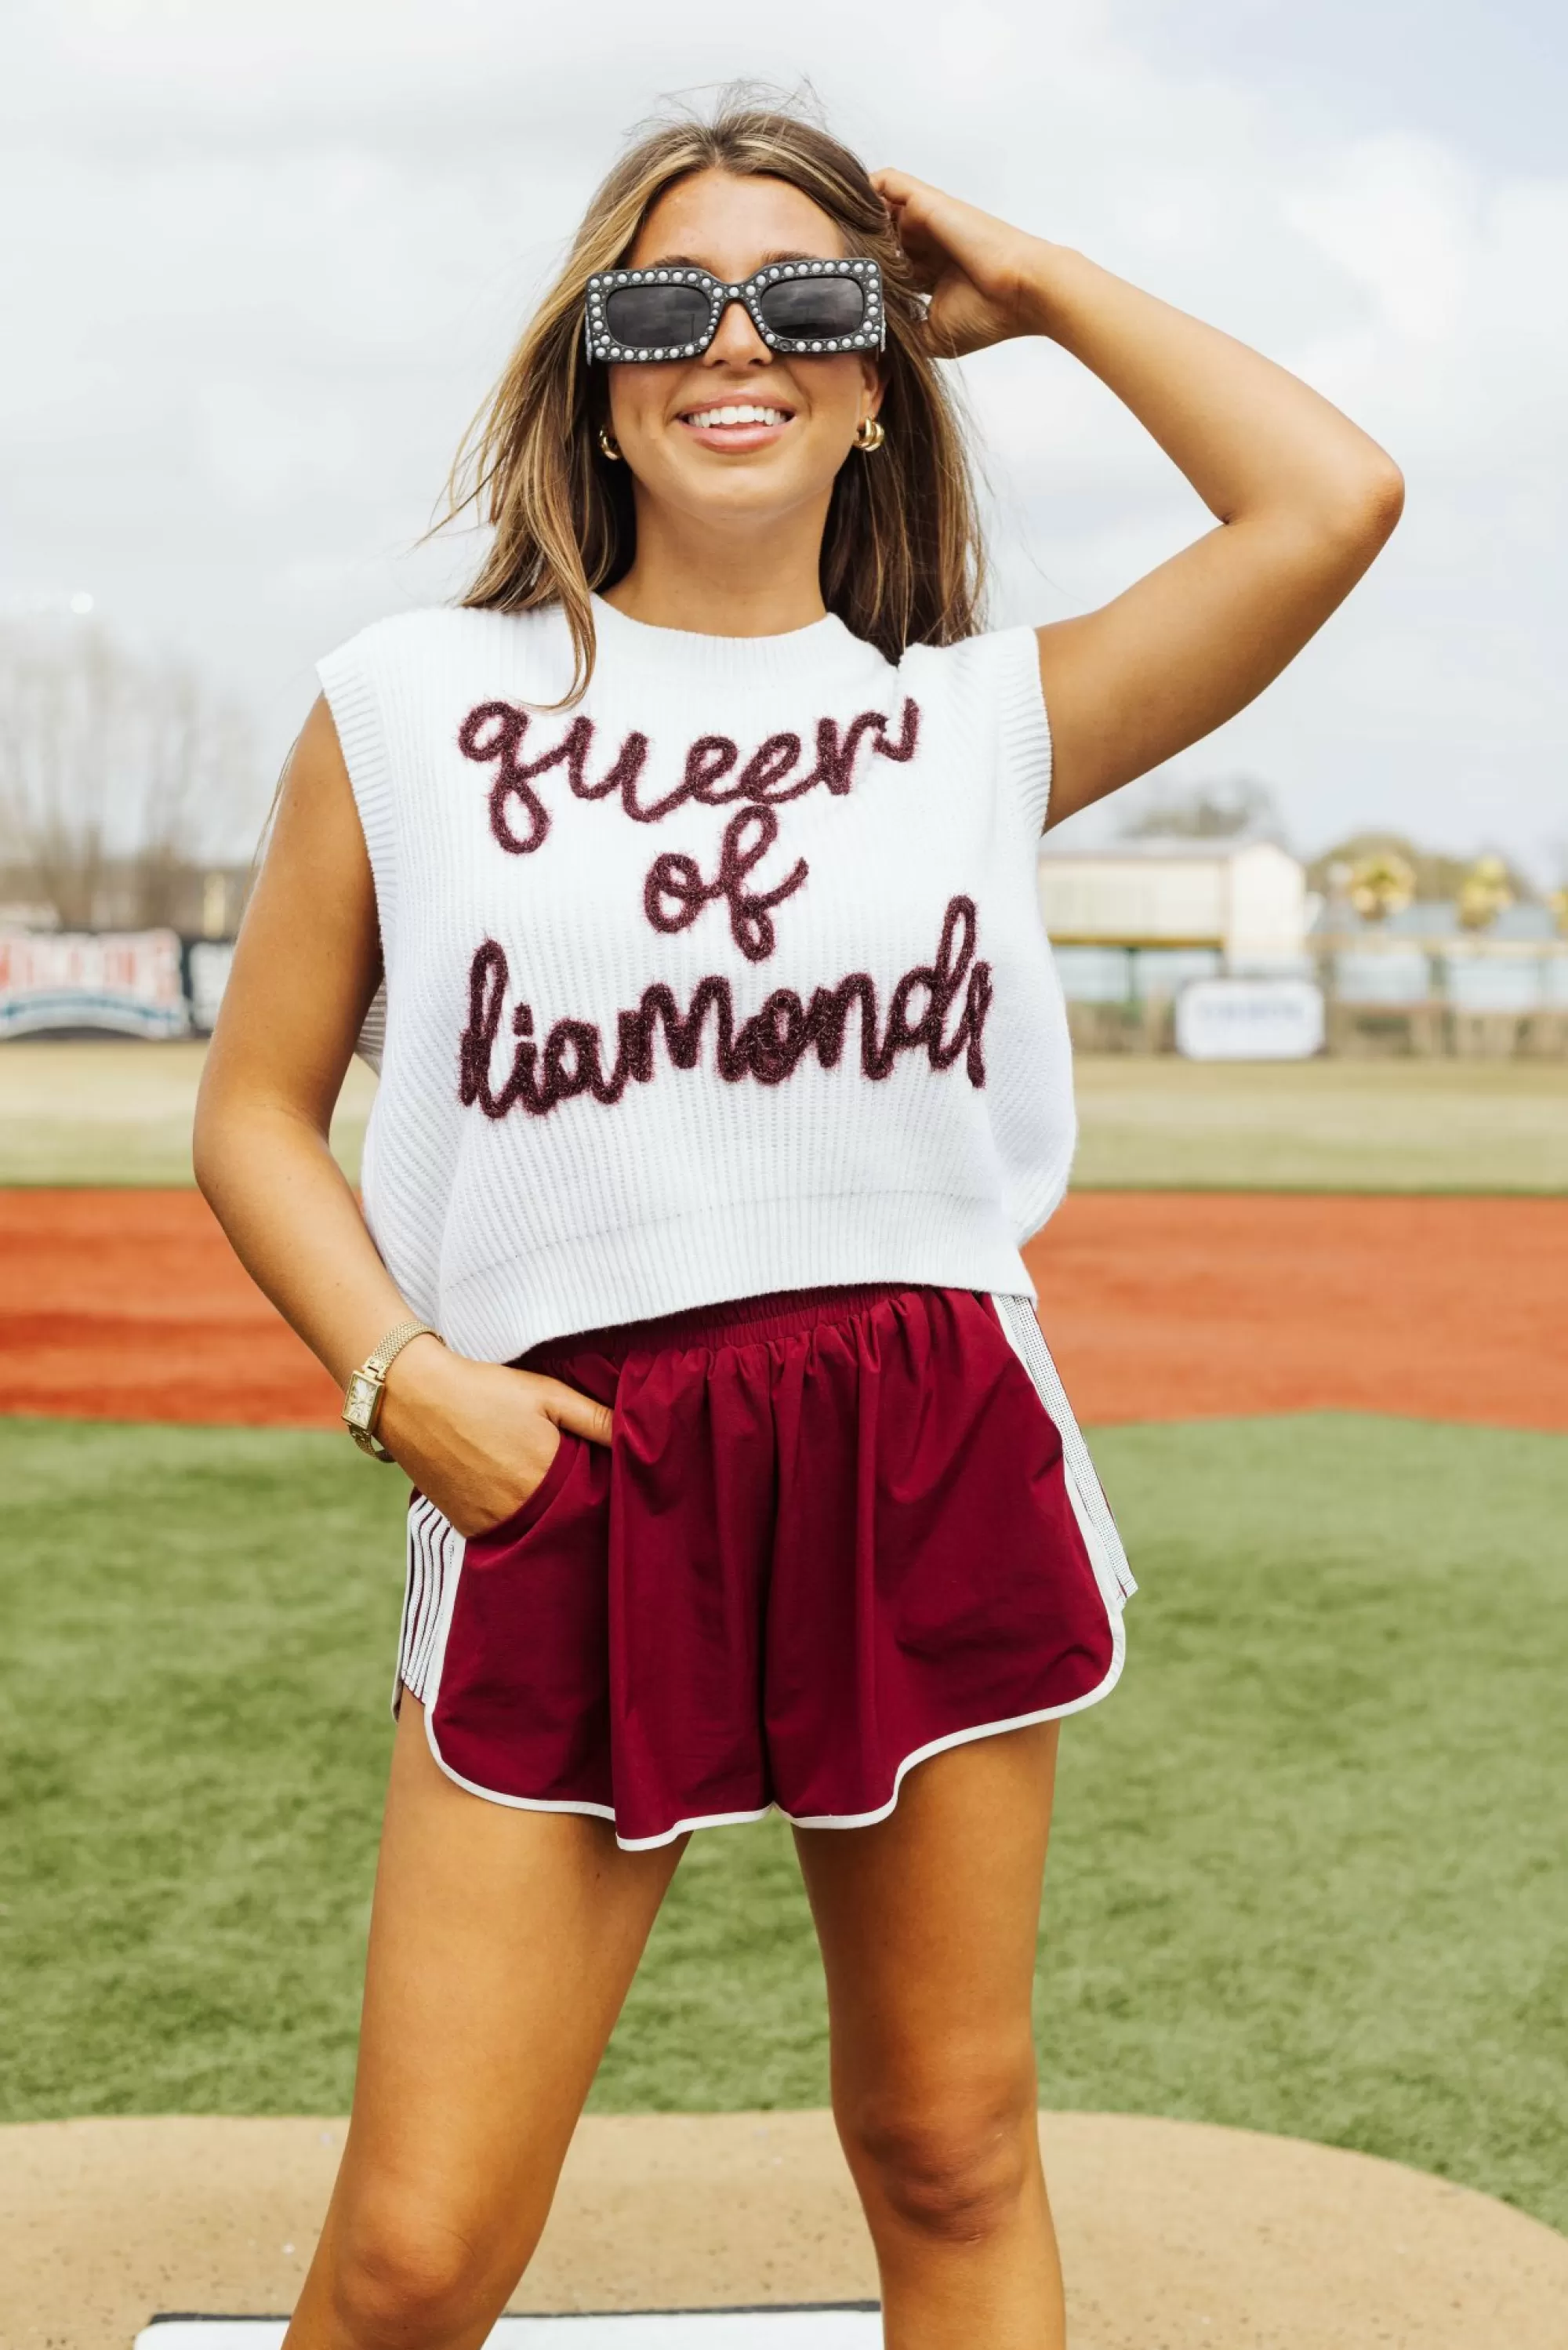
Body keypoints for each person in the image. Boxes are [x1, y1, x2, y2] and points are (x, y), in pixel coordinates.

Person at [194, 92, 1401, 2350]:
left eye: (806, 299)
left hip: (921, 1441)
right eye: (666, 300)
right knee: (417, 2245)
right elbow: (254, 1110)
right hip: (570, 1463)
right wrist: (399, 1378)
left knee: (950, 2148)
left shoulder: (972, 725)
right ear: (596, 371)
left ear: (875, 381)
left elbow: (1332, 495)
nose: (731, 343)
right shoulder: (410, 708)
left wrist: (1028, 277)